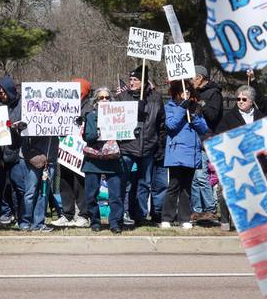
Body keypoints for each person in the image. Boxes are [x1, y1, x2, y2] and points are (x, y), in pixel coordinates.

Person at [117, 65, 164, 226]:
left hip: (148, 147)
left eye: (135, 79)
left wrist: (159, 144)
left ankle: (140, 215)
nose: (132, 82)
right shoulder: (123, 97)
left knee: (144, 183)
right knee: (124, 182)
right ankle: (122, 213)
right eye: (130, 79)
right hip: (127, 147)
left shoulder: (156, 98)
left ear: (143, 82)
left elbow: (161, 123)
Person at [216, 85, 267, 231]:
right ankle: (225, 221)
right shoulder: (229, 117)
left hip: (255, 160)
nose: (240, 101)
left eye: (244, 99)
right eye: (238, 99)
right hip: (235, 160)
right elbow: (220, 136)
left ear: (251, 101)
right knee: (229, 190)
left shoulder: (260, 117)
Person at [161, 81, 208, 229]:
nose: (186, 94)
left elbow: (204, 128)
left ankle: (184, 218)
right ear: (176, 93)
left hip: (192, 153)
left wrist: (194, 117)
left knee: (186, 188)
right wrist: (182, 109)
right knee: (174, 186)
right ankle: (167, 218)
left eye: (188, 91)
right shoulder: (170, 106)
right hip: (176, 152)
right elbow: (171, 125)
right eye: (183, 92)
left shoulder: (195, 108)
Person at [82, 87, 123, 233]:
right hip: (93, 160)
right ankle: (95, 221)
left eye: (107, 97)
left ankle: (115, 223)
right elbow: (88, 137)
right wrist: (101, 128)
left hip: (112, 159)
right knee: (91, 194)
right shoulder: (90, 115)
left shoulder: (118, 115)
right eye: (101, 98)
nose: (104, 100)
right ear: (96, 101)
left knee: (116, 195)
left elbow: (125, 134)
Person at [52, 77, 90, 228]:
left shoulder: (88, 108)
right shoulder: (64, 105)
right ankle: (67, 214)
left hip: (80, 152)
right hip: (64, 151)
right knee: (64, 181)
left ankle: (83, 215)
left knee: (80, 182)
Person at [0, 75, 25, 226]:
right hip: (0, 153)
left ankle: (21, 216)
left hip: (16, 152)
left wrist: (16, 127)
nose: (0, 95)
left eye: (2, 92)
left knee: (18, 186)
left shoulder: (22, 105)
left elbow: (27, 126)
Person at [189, 65, 221, 222]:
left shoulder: (214, 93)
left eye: (191, 77)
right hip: (193, 139)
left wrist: (201, 103)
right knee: (194, 178)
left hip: (205, 138)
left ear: (200, 78)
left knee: (201, 176)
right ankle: (197, 209)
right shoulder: (193, 94)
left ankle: (210, 209)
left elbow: (214, 116)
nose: (190, 81)